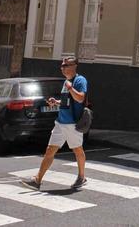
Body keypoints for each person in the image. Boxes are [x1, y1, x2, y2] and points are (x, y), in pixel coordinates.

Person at [21, 56, 88, 190]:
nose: (62, 68)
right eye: (62, 65)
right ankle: (37, 180)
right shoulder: (66, 82)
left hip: (72, 124)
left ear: (74, 66)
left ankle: (82, 177)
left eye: (65, 65)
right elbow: (67, 102)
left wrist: (70, 88)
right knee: (50, 150)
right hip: (60, 122)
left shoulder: (80, 80)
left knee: (77, 149)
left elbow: (80, 98)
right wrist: (56, 102)